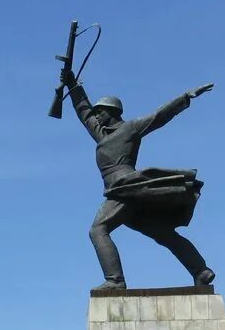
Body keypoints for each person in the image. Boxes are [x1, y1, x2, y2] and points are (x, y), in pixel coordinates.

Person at [61, 67, 216, 290]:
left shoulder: (130, 128)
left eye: (100, 112)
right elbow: (84, 111)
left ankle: (115, 281)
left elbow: (158, 117)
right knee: (162, 233)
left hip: (126, 187)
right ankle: (201, 271)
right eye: (95, 113)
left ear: (112, 111)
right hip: (124, 192)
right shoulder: (101, 135)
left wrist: (184, 98)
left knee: (98, 230)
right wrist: (72, 83)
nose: (96, 116)